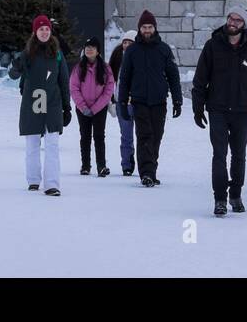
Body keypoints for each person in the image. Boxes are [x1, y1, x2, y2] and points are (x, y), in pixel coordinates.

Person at [192, 6, 247, 216]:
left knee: (239, 155)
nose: (232, 23)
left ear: (244, 25)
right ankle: (219, 199)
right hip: (217, 109)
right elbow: (200, 80)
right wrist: (198, 107)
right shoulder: (212, 45)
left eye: (238, 20)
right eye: (230, 18)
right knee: (219, 154)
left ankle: (235, 194)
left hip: (241, 110)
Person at [116, 10, 183, 188]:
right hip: (139, 100)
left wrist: (177, 100)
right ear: (139, 29)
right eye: (144, 27)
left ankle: (151, 170)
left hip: (159, 100)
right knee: (144, 135)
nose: (147, 30)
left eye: (150, 27)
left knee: (156, 136)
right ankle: (146, 173)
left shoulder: (163, 49)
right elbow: (125, 78)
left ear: (155, 28)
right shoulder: (132, 51)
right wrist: (122, 102)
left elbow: (173, 76)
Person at [9, 15, 71, 195]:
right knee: (33, 142)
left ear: (50, 32)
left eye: (47, 29)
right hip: (34, 99)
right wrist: (15, 67)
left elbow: (64, 80)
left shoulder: (57, 54)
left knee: (52, 143)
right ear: (35, 32)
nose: (44, 32)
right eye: (41, 29)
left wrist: (66, 107)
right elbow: (14, 75)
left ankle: (52, 184)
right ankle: (34, 179)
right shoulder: (27, 53)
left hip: (52, 101)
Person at [70, 37, 115, 176]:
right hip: (82, 108)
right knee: (85, 136)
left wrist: (96, 108)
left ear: (98, 51)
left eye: (92, 47)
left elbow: (109, 90)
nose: (89, 50)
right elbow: (74, 88)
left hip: (99, 108)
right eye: (87, 47)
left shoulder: (105, 68)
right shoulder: (79, 67)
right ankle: (85, 166)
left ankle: (101, 166)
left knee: (99, 136)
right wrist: (83, 107)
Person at [109, 30, 137, 175]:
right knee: (126, 136)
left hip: (139, 102)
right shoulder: (117, 57)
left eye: (130, 42)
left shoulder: (141, 57)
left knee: (143, 135)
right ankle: (127, 164)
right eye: (125, 42)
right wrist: (112, 100)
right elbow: (110, 80)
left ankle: (145, 164)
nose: (126, 45)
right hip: (121, 102)